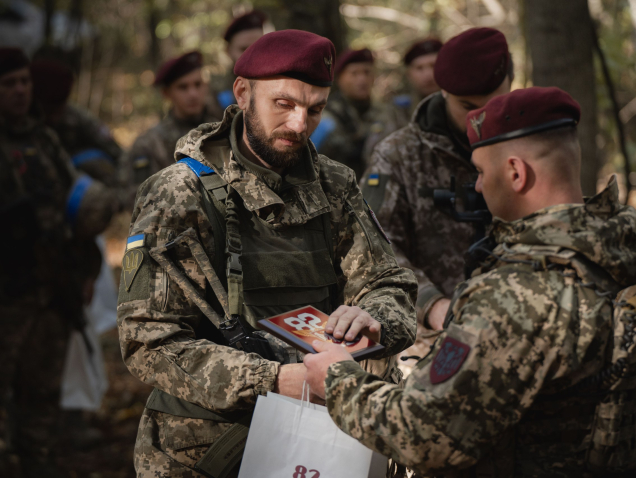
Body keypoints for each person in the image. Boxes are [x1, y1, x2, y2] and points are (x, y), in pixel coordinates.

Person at [305, 86, 636, 478]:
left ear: (516, 172)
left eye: (481, 172)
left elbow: (425, 435)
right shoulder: (623, 254)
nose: (479, 186)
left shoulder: (519, 292)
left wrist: (337, 379)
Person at [117, 30, 417, 478]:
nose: (300, 124)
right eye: (284, 104)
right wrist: (273, 381)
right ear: (242, 93)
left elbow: (390, 284)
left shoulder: (334, 184)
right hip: (208, 449)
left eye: (315, 109)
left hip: (323, 441)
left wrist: (373, 319)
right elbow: (148, 341)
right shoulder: (181, 192)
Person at [0, 47, 116, 477]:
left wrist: (84, 271)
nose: (18, 91)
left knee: (42, 393)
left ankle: (37, 463)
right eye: (8, 83)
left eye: (23, 82)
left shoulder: (41, 138)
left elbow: (73, 208)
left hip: (49, 287)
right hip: (7, 290)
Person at [361, 28, 513, 334]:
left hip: (516, 323)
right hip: (428, 333)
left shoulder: (531, 149)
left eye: (494, 105)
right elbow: (370, 246)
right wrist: (431, 304)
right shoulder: (397, 155)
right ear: (443, 91)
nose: (481, 119)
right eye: (468, 108)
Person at [119, 50, 220, 208]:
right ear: (167, 93)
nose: (193, 94)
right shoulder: (149, 144)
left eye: (197, 84)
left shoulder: (223, 130)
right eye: (183, 87)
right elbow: (140, 204)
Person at [30, 58, 122, 187]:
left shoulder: (77, 116)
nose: (55, 117)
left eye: (59, 108)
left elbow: (116, 151)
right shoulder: (24, 121)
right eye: (49, 109)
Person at [310, 47, 385, 178]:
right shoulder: (325, 116)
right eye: (354, 73)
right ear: (339, 78)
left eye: (367, 72)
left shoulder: (385, 113)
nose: (362, 79)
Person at [208, 9, 266, 115]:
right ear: (228, 51)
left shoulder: (280, 82)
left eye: (258, 47)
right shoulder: (216, 89)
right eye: (243, 49)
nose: (251, 55)